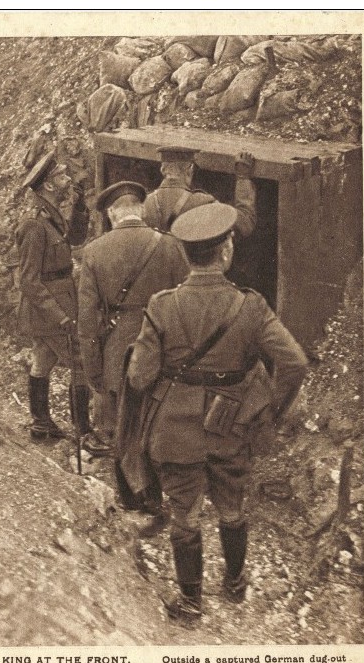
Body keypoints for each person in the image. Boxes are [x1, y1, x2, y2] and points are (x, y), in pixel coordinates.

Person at [126, 202, 308, 625]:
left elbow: (138, 379)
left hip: (175, 429)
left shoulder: (162, 305)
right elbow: (294, 362)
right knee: (232, 505)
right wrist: (269, 412)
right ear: (226, 250)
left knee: (185, 514)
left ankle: (191, 603)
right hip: (234, 425)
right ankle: (235, 584)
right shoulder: (250, 306)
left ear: (187, 255)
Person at [77, 181, 189, 523]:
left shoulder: (94, 252)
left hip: (117, 345)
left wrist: (92, 365)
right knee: (155, 415)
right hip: (161, 341)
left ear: (112, 214)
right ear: (140, 209)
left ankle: (132, 496)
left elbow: (87, 318)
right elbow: (185, 301)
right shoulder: (171, 246)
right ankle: (157, 492)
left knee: (121, 419)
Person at [16, 151, 90, 441]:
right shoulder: (34, 224)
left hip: (54, 304)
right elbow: (28, 281)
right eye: (61, 176)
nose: (67, 179)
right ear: (48, 185)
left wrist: (80, 208)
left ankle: (41, 423)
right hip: (49, 310)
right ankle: (83, 431)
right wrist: (60, 317)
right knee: (81, 362)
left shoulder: (51, 215)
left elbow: (74, 240)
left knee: (44, 359)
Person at [143, 146, 257, 240]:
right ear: (190, 169)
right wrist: (243, 178)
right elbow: (244, 224)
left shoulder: (144, 203)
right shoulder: (202, 203)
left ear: (162, 170)